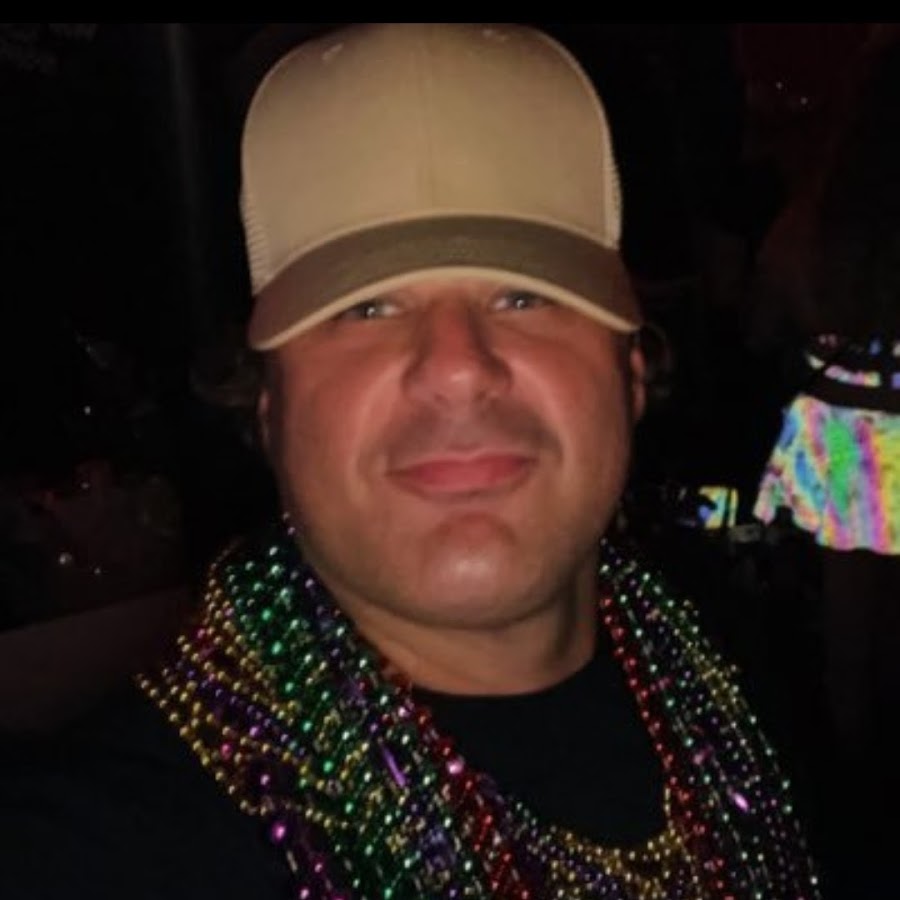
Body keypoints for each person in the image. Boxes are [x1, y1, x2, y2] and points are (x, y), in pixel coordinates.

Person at [1, 23, 821, 899]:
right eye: (366, 308)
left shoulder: (755, 700)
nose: (457, 365)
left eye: (524, 294)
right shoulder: (94, 844)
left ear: (630, 374)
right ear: (267, 408)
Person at [748, 24, 900, 896]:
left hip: (848, 436)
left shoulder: (816, 222)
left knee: (850, 640)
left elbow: (763, 323)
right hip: (870, 431)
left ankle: (852, 804)